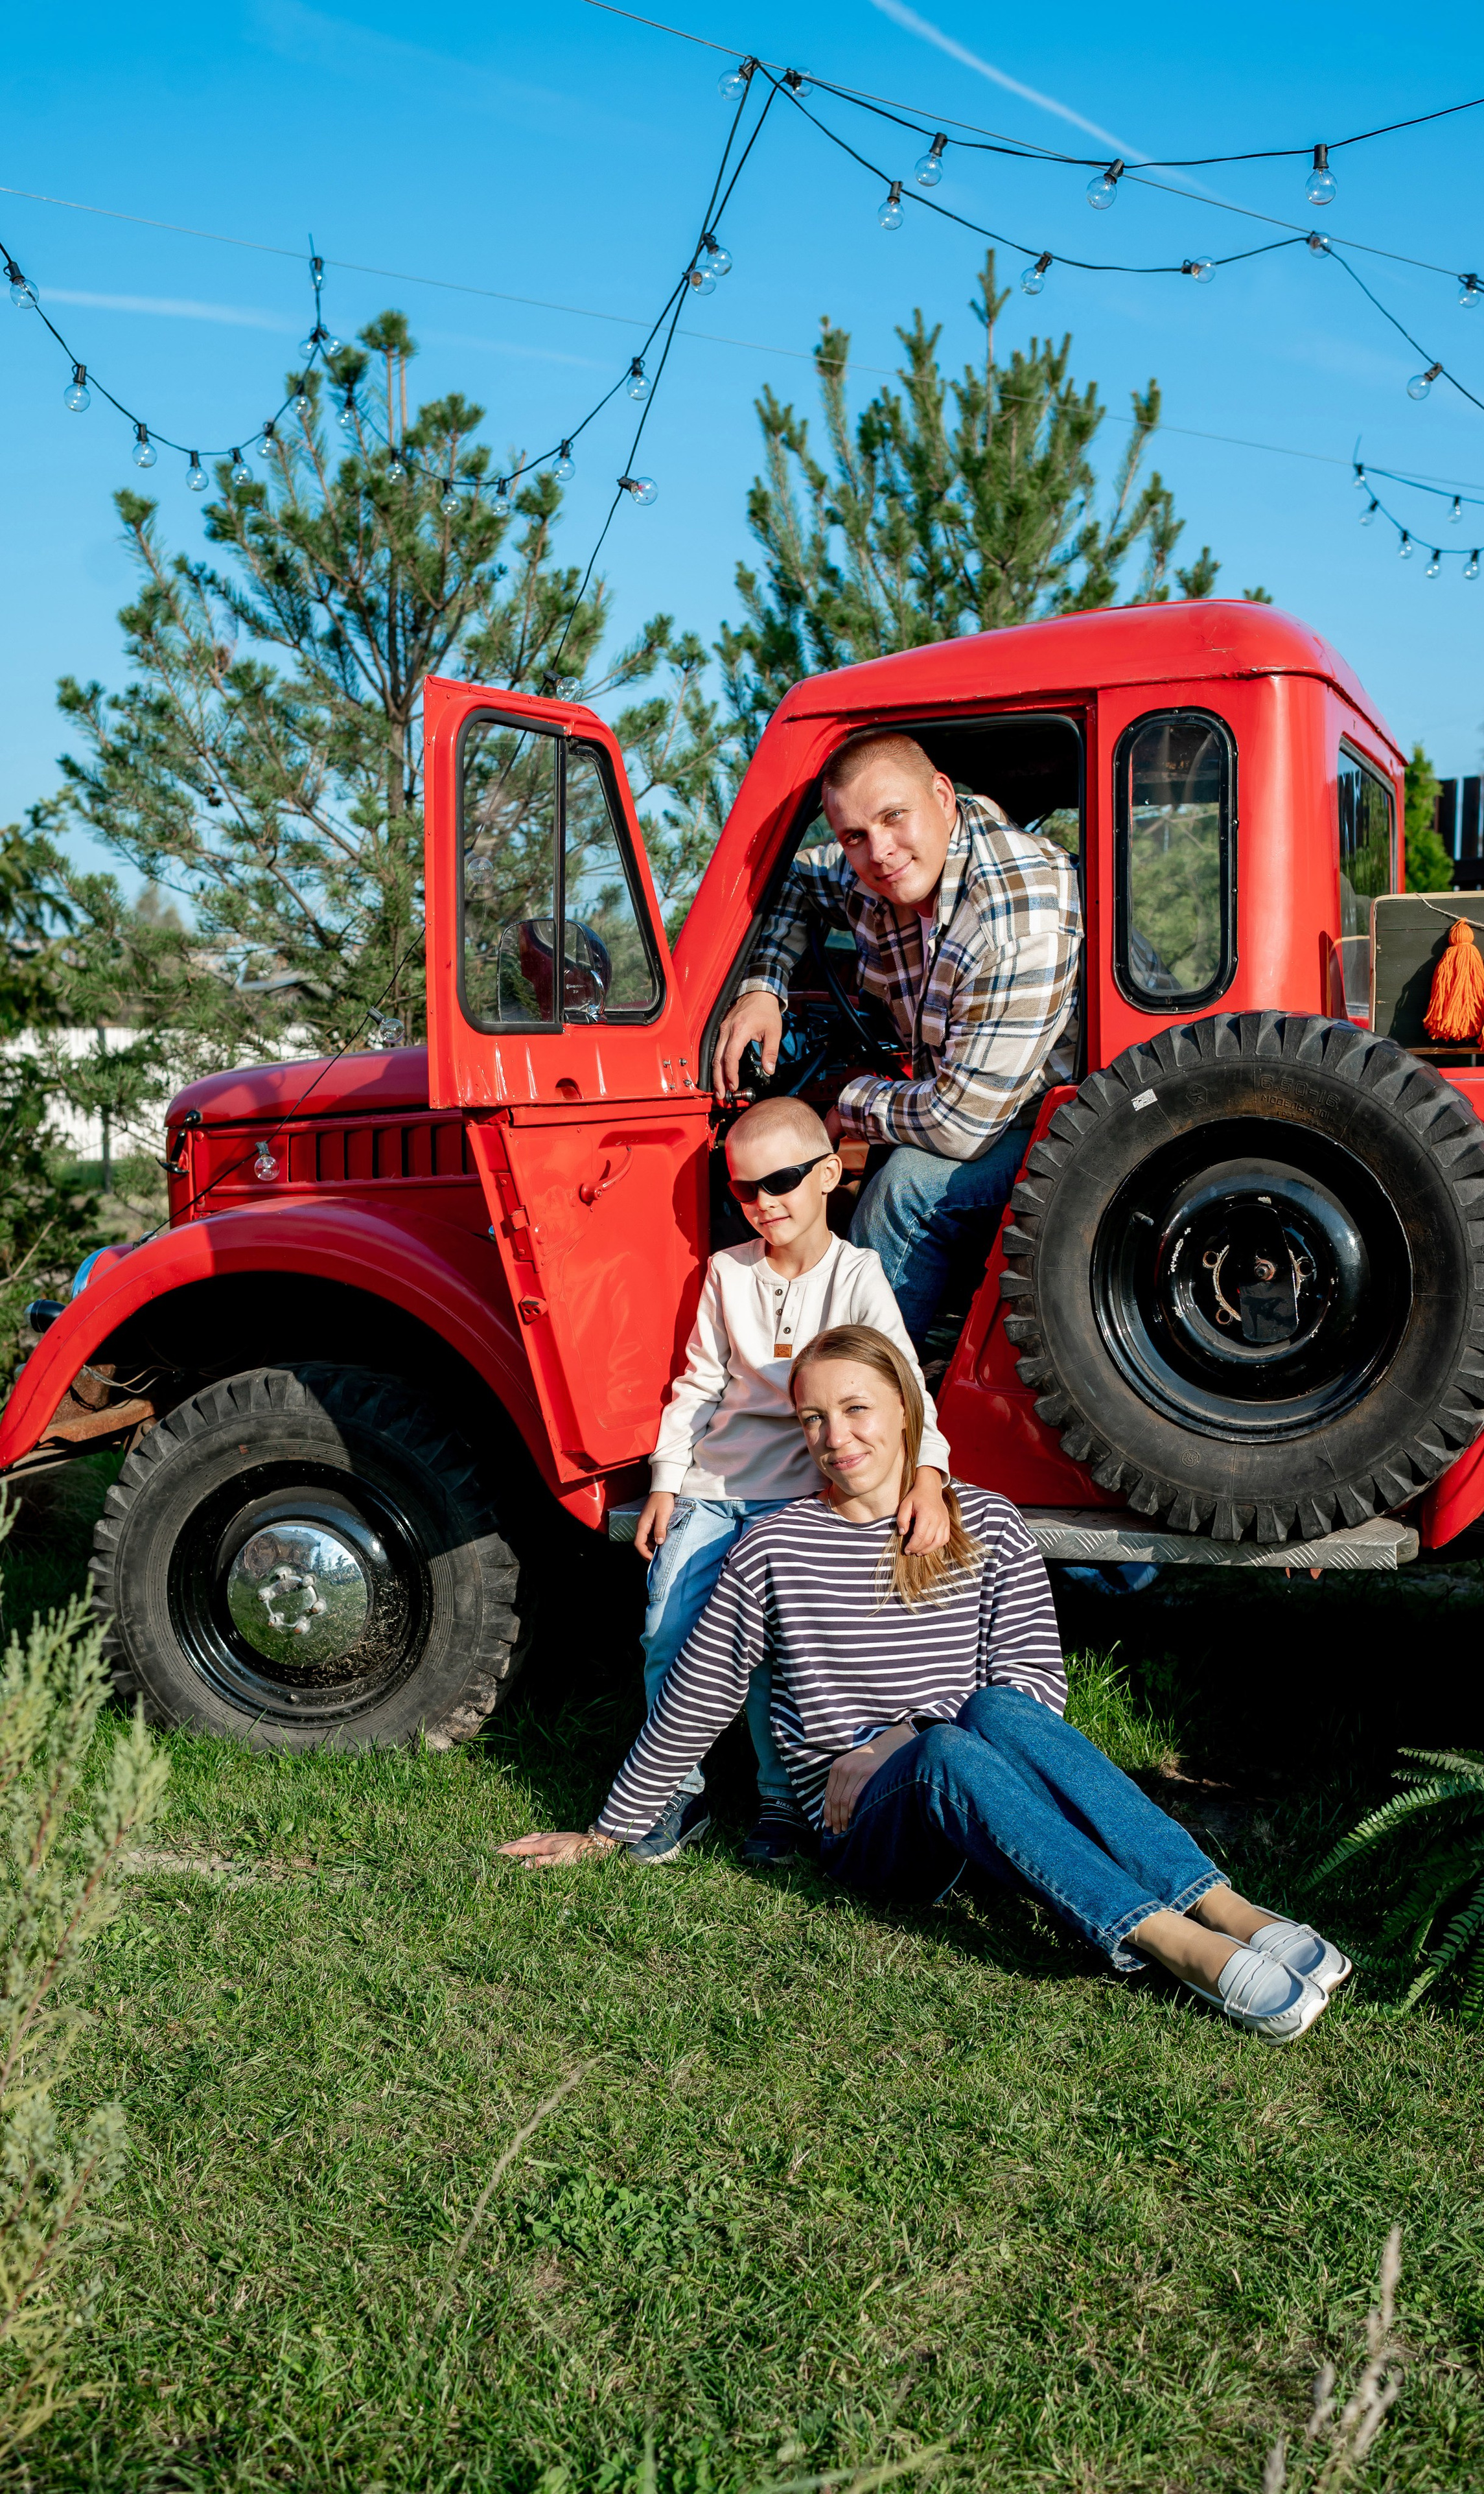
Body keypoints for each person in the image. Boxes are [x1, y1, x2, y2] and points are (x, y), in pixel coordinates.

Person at [502, 1326, 1349, 2044]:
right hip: (867, 1834)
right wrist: (609, 1832)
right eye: (814, 1419)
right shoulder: (774, 1549)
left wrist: (891, 1739)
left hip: (983, 1795)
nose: (838, 1438)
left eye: (856, 1409)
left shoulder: (987, 1524)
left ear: (905, 1408)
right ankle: (1175, 1943)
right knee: (951, 1740)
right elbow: (697, 1699)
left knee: (986, 1712)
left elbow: (1032, 1692)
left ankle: (1232, 1910)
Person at [623, 1097, 953, 1870]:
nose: (763, 1201)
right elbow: (699, 1383)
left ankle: (782, 1797)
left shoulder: (858, 1274)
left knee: (782, 1646)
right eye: (744, 1188)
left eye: (781, 1180)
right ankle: (675, 1788)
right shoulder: (727, 1272)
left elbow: (903, 1386)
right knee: (666, 1625)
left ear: (830, 1174)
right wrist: (668, 1480)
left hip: (802, 1494)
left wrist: (930, 1475)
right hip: (718, 1481)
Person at [711, 730, 1082, 1349]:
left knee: (905, 1185)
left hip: (1079, 1132)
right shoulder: (883, 872)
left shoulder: (1012, 913)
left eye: (893, 817)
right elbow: (797, 880)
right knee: (884, 1156)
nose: (879, 851)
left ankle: (856, 1392)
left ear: (942, 796)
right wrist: (762, 987)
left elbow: (963, 1125)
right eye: (854, 835)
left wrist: (845, 1106)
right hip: (985, 1101)